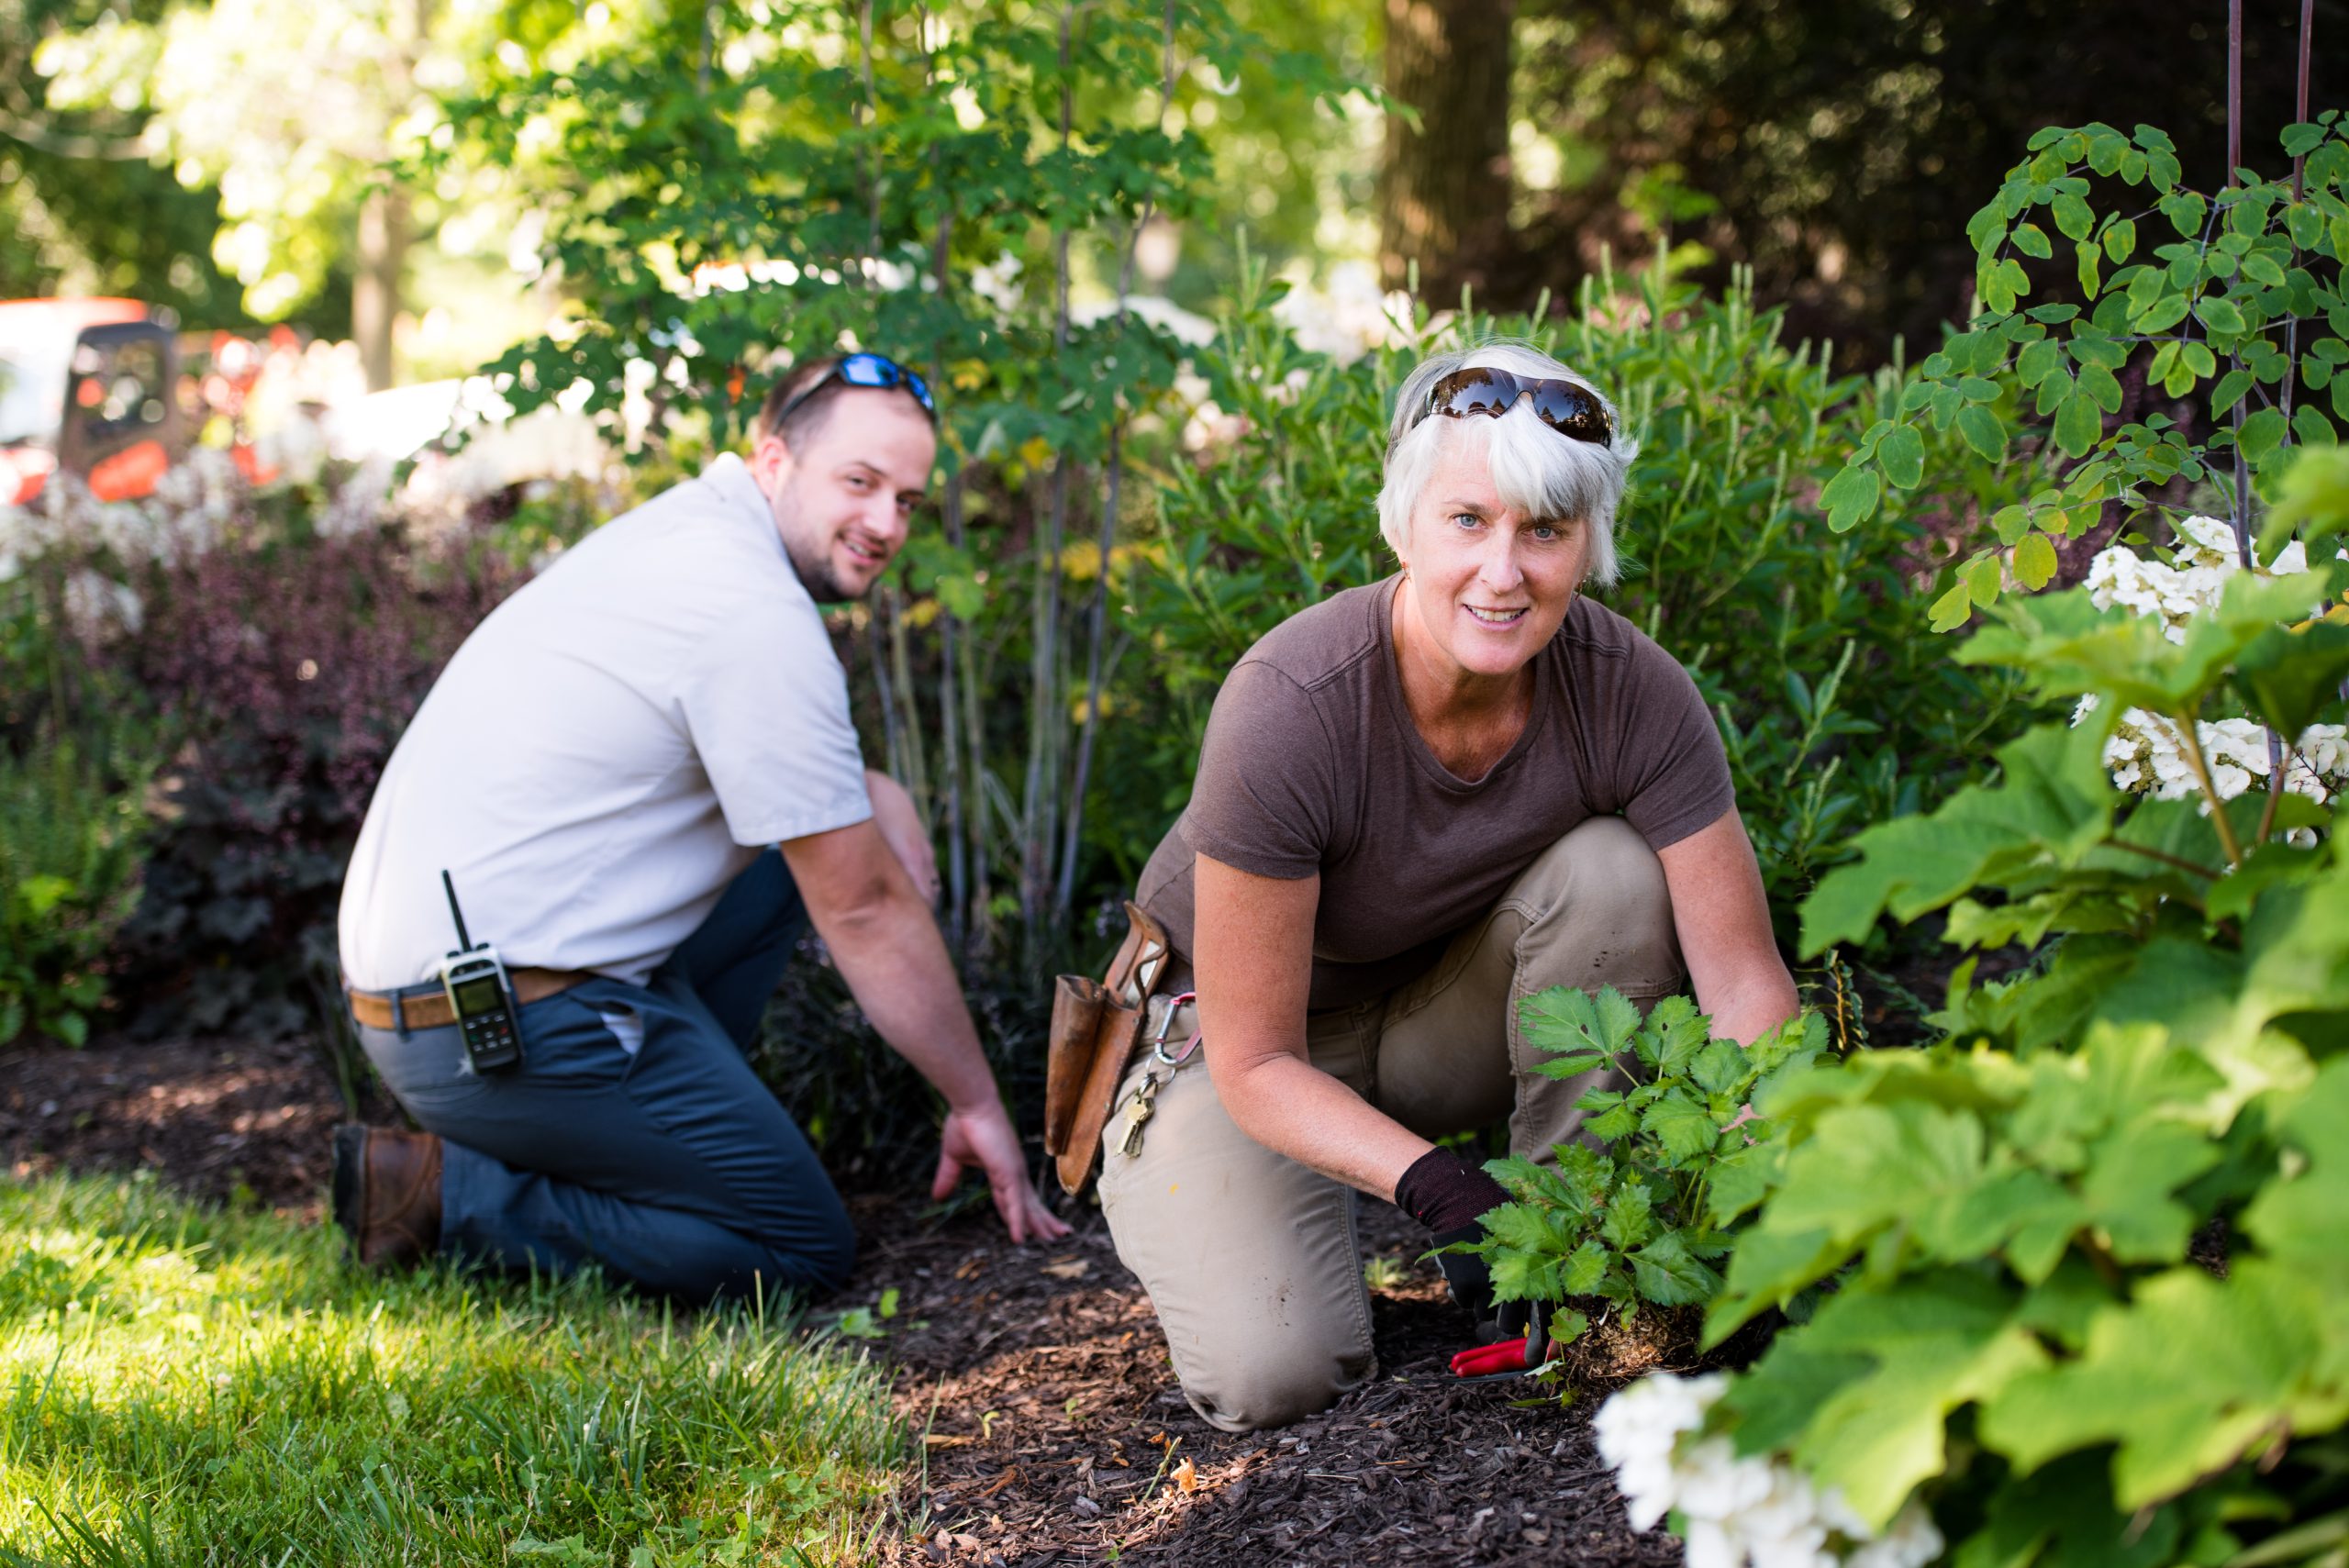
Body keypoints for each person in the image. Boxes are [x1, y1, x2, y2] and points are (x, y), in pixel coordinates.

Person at [1098, 342, 1799, 1431]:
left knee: (1615, 874)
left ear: (1587, 542)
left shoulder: (1633, 692)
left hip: (1431, 1017)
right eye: (1468, 519)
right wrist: (1446, 1190)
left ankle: (1569, 1259)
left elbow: (1746, 984)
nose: (1503, 572)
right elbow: (1255, 1058)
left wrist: (1768, 1167)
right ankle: (1297, 1208)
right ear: (1403, 525)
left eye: (1545, 529)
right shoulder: (1291, 702)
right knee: (1272, 1371)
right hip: (1233, 1046)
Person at [332, 351, 1068, 1301]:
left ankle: (657, 1129)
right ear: (775, 461)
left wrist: (870, 786)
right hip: (494, 1030)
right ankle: (455, 1194)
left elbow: (781, 795)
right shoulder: (751, 611)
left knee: (807, 845)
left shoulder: (688, 536)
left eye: (908, 500)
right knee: (797, 1243)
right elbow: (865, 907)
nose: (887, 524)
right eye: (859, 482)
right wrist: (976, 1101)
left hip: (451, 997)